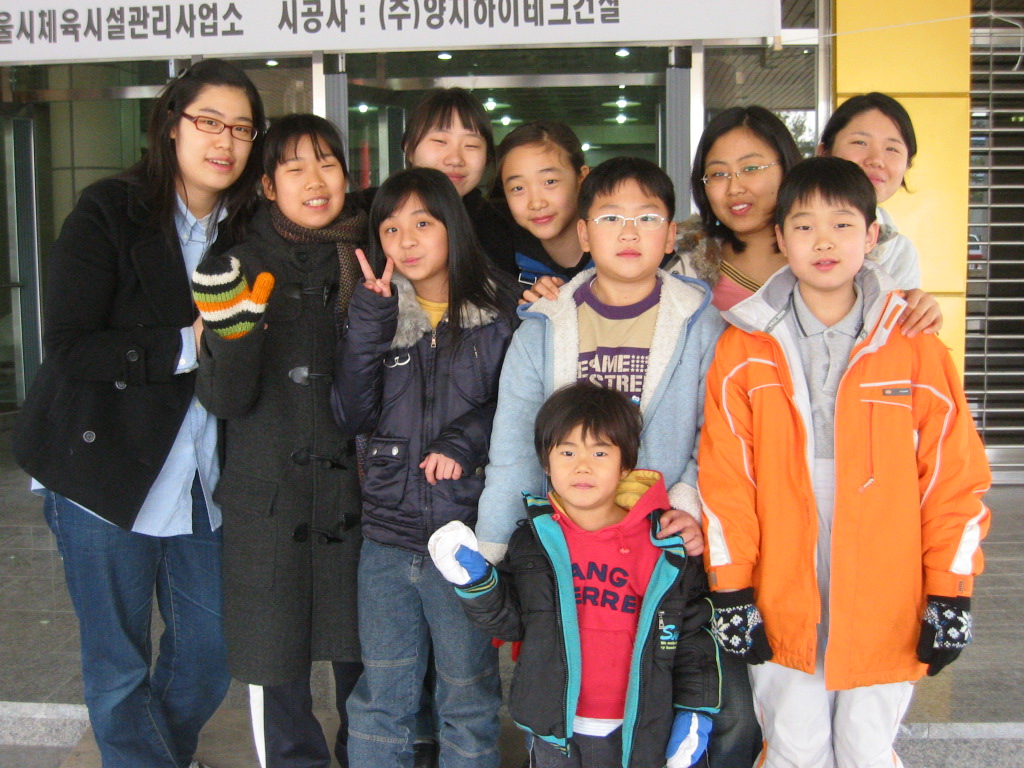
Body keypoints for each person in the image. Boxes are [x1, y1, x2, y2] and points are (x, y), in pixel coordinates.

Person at [10, 59, 266, 768]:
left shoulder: (249, 228)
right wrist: (186, 345)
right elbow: (69, 343)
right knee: (118, 662)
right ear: (171, 125)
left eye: (242, 128)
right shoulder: (110, 209)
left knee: (210, 651)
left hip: (202, 479)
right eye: (209, 121)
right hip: (101, 470)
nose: (225, 140)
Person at [698, 156, 991, 767]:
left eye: (843, 224)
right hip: (780, 565)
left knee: (866, 744)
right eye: (804, 226)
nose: (823, 241)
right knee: (795, 743)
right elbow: (727, 481)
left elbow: (952, 478)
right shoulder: (742, 347)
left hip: (889, 570)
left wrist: (951, 592)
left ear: (873, 236)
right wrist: (731, 589)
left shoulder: (916, 347)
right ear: (780, 239)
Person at [190, 114, 365, 768]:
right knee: (275, 666)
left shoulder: (374, 253)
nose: (315, 181)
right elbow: (224, 401)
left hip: (359, 500)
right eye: (295, 168)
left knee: (371, 669)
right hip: (270, 503)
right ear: (267, 185)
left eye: (327, 164)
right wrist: (235, 338)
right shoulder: (235, 265)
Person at [429, 381, 720, 768]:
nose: (582, 466)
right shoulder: (534, 541)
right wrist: (476, 584)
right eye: (567, 452)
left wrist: (696, 711)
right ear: (546, 464)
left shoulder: (665, 547)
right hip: (555, 735)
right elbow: (512, 622)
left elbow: (693, 637)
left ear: (626, 464)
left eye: (600, 452)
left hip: (644, 734)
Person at [331, 166, 518, 768]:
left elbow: (523, 407)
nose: (406, 241)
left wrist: (464, 441)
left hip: (466, 537)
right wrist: (369, 321)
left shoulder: (502, 311)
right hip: (386, 537)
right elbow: (350, 413)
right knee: (380, 699)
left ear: (453, 228)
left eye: (422, 224)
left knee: (468, 697)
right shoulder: (377, 312)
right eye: (390, 229)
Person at [669, 106, 940, 336]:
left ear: (787, 166)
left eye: (751, 168)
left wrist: (918, 309)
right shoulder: (682, 268)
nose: (734, 188)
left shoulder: (846, 260)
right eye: (718, 174)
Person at [362, 87, 516, 278]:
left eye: (471, 145)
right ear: (409, 149)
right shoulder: (366, 212)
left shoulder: (497, 229)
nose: (455, 159)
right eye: (440, 141)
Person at [818, 91, 921, 289]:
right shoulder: (794, 230)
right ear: (825, 153)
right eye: (860, 143)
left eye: (892, 149)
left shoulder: (900, 252)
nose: (876, 160)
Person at [491, 120, 591, 288]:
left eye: (550, 182)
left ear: (581, 178)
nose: (536, 203)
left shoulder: (619, 249)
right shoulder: (499, 258)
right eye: (518, 188)